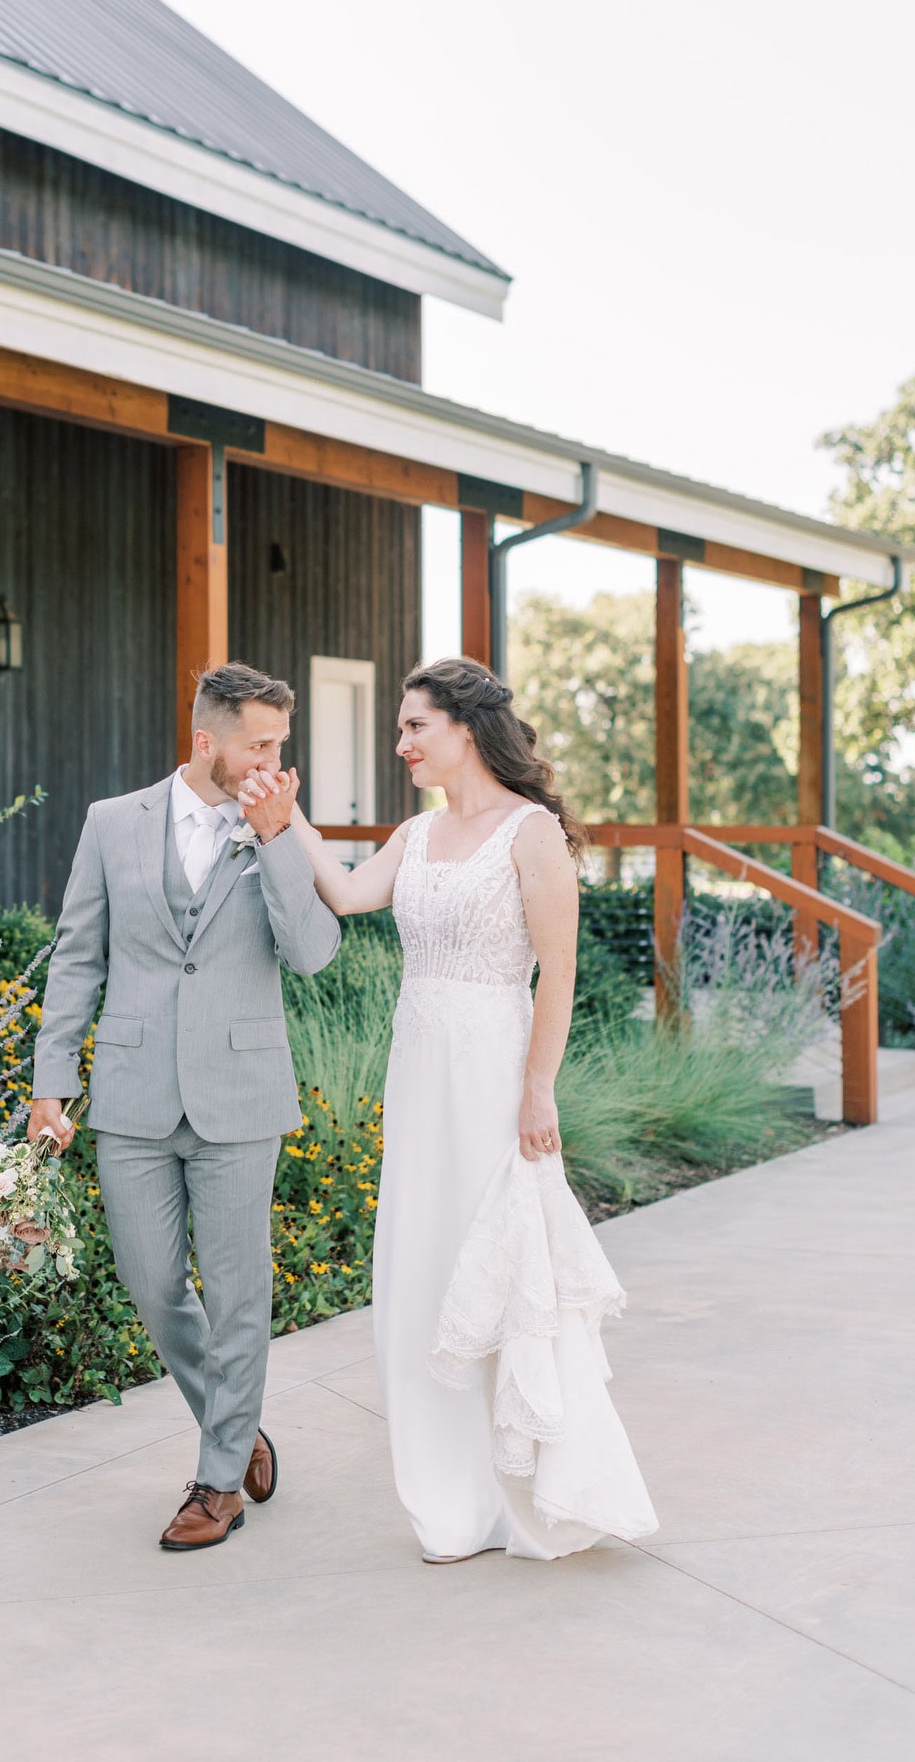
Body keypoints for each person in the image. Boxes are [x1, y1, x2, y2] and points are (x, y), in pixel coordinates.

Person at [240, 656, 657, 1563]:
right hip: (421, 1076)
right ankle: (451, 1504)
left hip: (494, 1080)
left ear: (465, 728)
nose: (401, 743)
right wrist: (287, 819)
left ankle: (524, 1494)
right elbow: (349, 894)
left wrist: (538, 1088)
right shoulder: (417, 835)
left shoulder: (532, 833)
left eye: (415, 726)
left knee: (500, 1268)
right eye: (400, 727)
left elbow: (558, 972)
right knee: (422, 1268)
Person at [30, 662, 338, 1552]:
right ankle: (236, 1428)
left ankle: (217, 1481)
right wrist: (52, 1079)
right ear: (207, 742)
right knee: (154, 1284)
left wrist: (277, 841)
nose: (275, 762)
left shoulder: (282, 826)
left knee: (238, 1295)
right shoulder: (112, 823)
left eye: (281, 743)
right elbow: (77, 956)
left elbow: (313, 953)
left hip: (240, 1095)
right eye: (260, 744)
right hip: (132, 1095)